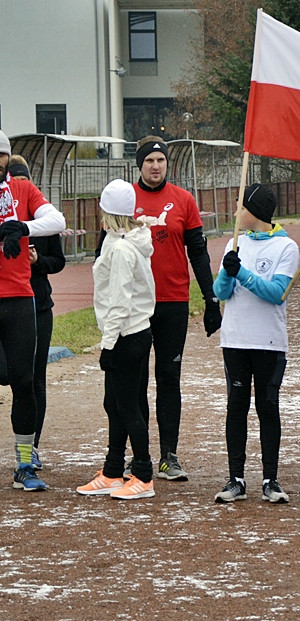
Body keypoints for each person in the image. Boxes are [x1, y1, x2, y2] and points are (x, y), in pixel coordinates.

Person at [99, 136, 221, 481]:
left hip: (172, 302)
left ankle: (169, 454)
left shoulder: (184, 200)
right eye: (149, 161)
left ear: (168, 164)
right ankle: (138, 455)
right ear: (139, 165)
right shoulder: (125, 198)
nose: (155, 166)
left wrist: (210, 299)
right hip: (136, 308)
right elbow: (104, 251)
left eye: (161, 160)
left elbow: (198, 252)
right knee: (133, 382)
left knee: (168, 377)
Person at [211, 184, 298, 504]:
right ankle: (235, 479)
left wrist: (243, 273)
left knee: (267, 406)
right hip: (235, 340)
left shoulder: (286, 247)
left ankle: (270, 479)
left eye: (241, 206)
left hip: (269, 341)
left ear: (255, 211)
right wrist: (227, 273)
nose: (236, 211)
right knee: (236, 406)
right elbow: (221, 292)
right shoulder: (235, 242)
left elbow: (277, 293)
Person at [76, 180, 157, 500]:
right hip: (128, 333)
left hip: (128, 335)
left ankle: (144, 474)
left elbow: (120, 302)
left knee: (127, 405)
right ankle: (112, 471)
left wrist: (108, 345)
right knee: (114, 403)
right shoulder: (116, 239)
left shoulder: (123, 248)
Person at [0, 130, 66, 491]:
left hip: (20, 297)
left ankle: (24, 463)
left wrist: (21, 226)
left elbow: (56, 221)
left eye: (0, 155)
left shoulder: (23, 189)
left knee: (24, 381)